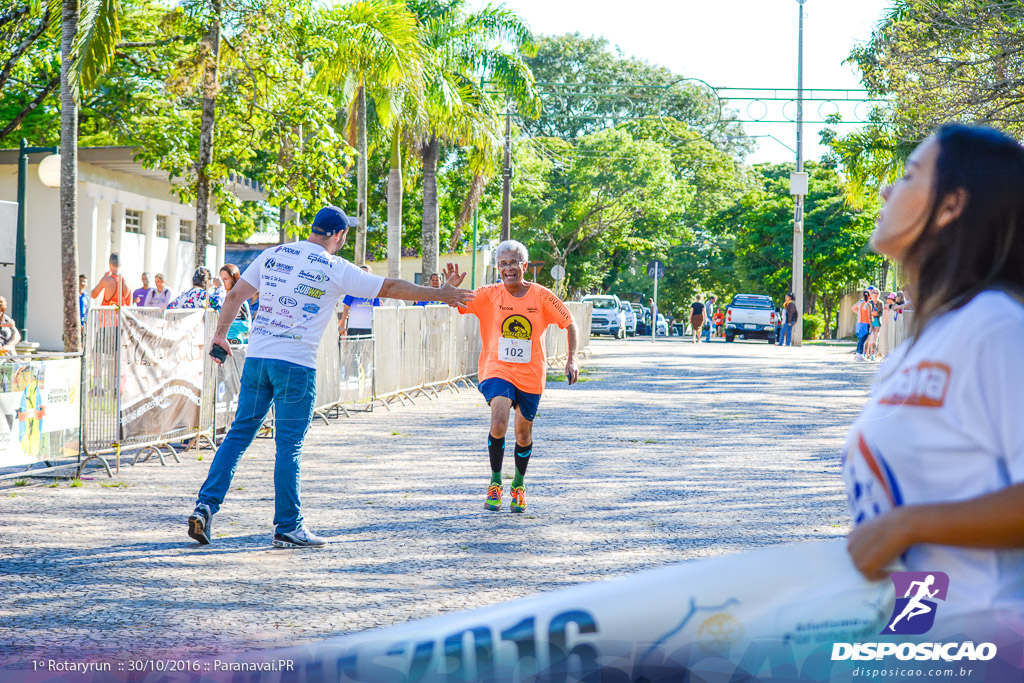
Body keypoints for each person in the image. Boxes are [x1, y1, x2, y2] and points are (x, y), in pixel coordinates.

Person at [188, 206, 473, 548]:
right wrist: (442, 294)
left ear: (314, 229)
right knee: (289, 445)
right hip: (295, 364)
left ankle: (205, 506)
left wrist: (220, 335)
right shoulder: (335, 267)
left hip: (258, 358)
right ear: (338, 236)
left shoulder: (273, 254)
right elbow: (391, 287)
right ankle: (288, 526)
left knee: (237, 436)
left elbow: (234, 296)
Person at [844, 125, 1024, 621]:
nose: (885, 190)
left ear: (950, 207)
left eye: (907, 175)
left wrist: (908, 525)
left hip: (994, 642)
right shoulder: (913, 351)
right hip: (925, 636)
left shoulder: (998, 325)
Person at [445, 240, 578, 514]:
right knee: (498, 423)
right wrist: (450, 289)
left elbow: (570, 323)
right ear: (498, 267)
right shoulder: (488, 294)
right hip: (497, 369)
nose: (508, 269)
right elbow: (457, 302)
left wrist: (571, 358)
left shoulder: (541, 296)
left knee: (522, 433)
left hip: (530, 374)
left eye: (513, 263)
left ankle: (518, 485)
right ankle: (495, 483)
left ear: (524, 266)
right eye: (503, 264)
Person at [338, 265, 382, 336]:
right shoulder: (352, 289)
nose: (364, 274)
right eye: (362, 272)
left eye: (366, 272)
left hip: (369, 327)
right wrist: (342, 326)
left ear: (371, 274)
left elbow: (377, 311)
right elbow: (346, 308)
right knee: (352, 347)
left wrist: (379, 327)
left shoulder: (375, 290)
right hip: (353, 326)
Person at [219, 264, 251, 343]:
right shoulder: (217, 300)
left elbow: (247, 326)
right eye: (220, 279)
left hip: (234, 343)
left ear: (234, 279)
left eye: (226, 279)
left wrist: (227, 321)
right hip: (217, 343)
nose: (222, 282)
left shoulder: (240, 301)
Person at [850, 290, 872, 360]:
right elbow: (869, 316)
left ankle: (858, 355)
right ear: (869, 296)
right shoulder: (868, 304)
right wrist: (871, 325)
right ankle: (861, 356)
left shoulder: (860, 303)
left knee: (860, 340)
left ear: (863, 296)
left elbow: (853, 307)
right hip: (865, 324)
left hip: (859, 323)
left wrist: (859, 314)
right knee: (863, 340)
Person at [863, 286, 883, 360]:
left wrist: (875, 313)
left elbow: (880, 313)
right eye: (874, 293)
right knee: (868, 339)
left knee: (875, 339)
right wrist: (872, 313)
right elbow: (867, 312)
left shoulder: (880, 303)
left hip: (877, 322)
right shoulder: (869, 302)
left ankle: (873, 354)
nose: (876, 294)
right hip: (869, 322)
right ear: (872, 294)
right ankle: (865, 353)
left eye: (877, 293)